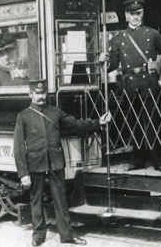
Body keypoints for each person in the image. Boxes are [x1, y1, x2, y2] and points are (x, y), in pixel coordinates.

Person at [13, 79, 111, 246]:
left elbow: (76, 124)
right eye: (37, 93)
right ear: (30, 94)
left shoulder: (55, 112)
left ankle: (67, 235)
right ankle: (38, 237)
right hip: (35, 163)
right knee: (36, 200)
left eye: (43, 93)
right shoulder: (23, 116)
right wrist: (23, 173)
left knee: (61, 199)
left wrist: (97, 123)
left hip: (55, 162)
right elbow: (18, 147)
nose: (41, 96)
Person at [99, 0, 161, 171]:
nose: (135, 17)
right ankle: (138, 160)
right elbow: (112, 64)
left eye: (139, 13)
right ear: (126, 16)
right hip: (130, 87)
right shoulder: (119, 38)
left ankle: (159, 161)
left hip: (150, 85)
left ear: (142, 14)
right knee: (134, 124)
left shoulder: (152, 34)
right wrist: (103, 60)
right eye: (132, 14)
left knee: (153, 123)